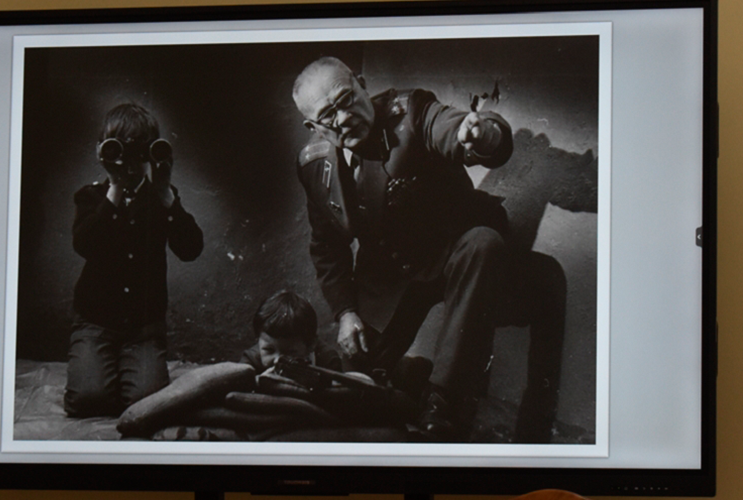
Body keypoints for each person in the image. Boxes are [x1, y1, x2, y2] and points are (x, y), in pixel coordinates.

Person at [291, 57, 565, 442]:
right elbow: (326, 247)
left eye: (346, 99)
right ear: (313, 126)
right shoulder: (314, 165)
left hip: (459, 254)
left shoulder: (411, 111)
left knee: (483, 242)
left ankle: (443, 400)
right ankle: (409, 385)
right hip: (391, 273)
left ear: (362, 84)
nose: (344, 118)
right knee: (354, 383)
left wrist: (483, 135)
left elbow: (454, 128)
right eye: (327, 115)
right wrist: (346, 312)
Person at [64, 102, 204, 418]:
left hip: (143, 328)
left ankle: (119, 370)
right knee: (87, 399)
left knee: (146, 401)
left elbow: (191, 249)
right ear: (101, 152)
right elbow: (84, 245)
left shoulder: (161, 198)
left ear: (151, 154)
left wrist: (165, 192)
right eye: (119, 152)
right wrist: (114, 189)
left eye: (139, 153)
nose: (129, 163)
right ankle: (98, 368)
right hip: (95, 321)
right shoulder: (90, 197)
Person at [239, 289, 343, 373]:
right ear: (258, 341)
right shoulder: (251, 361)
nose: (277, 361)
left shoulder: (327, 360)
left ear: (311, 345)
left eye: (289, 352)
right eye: (269, 350)